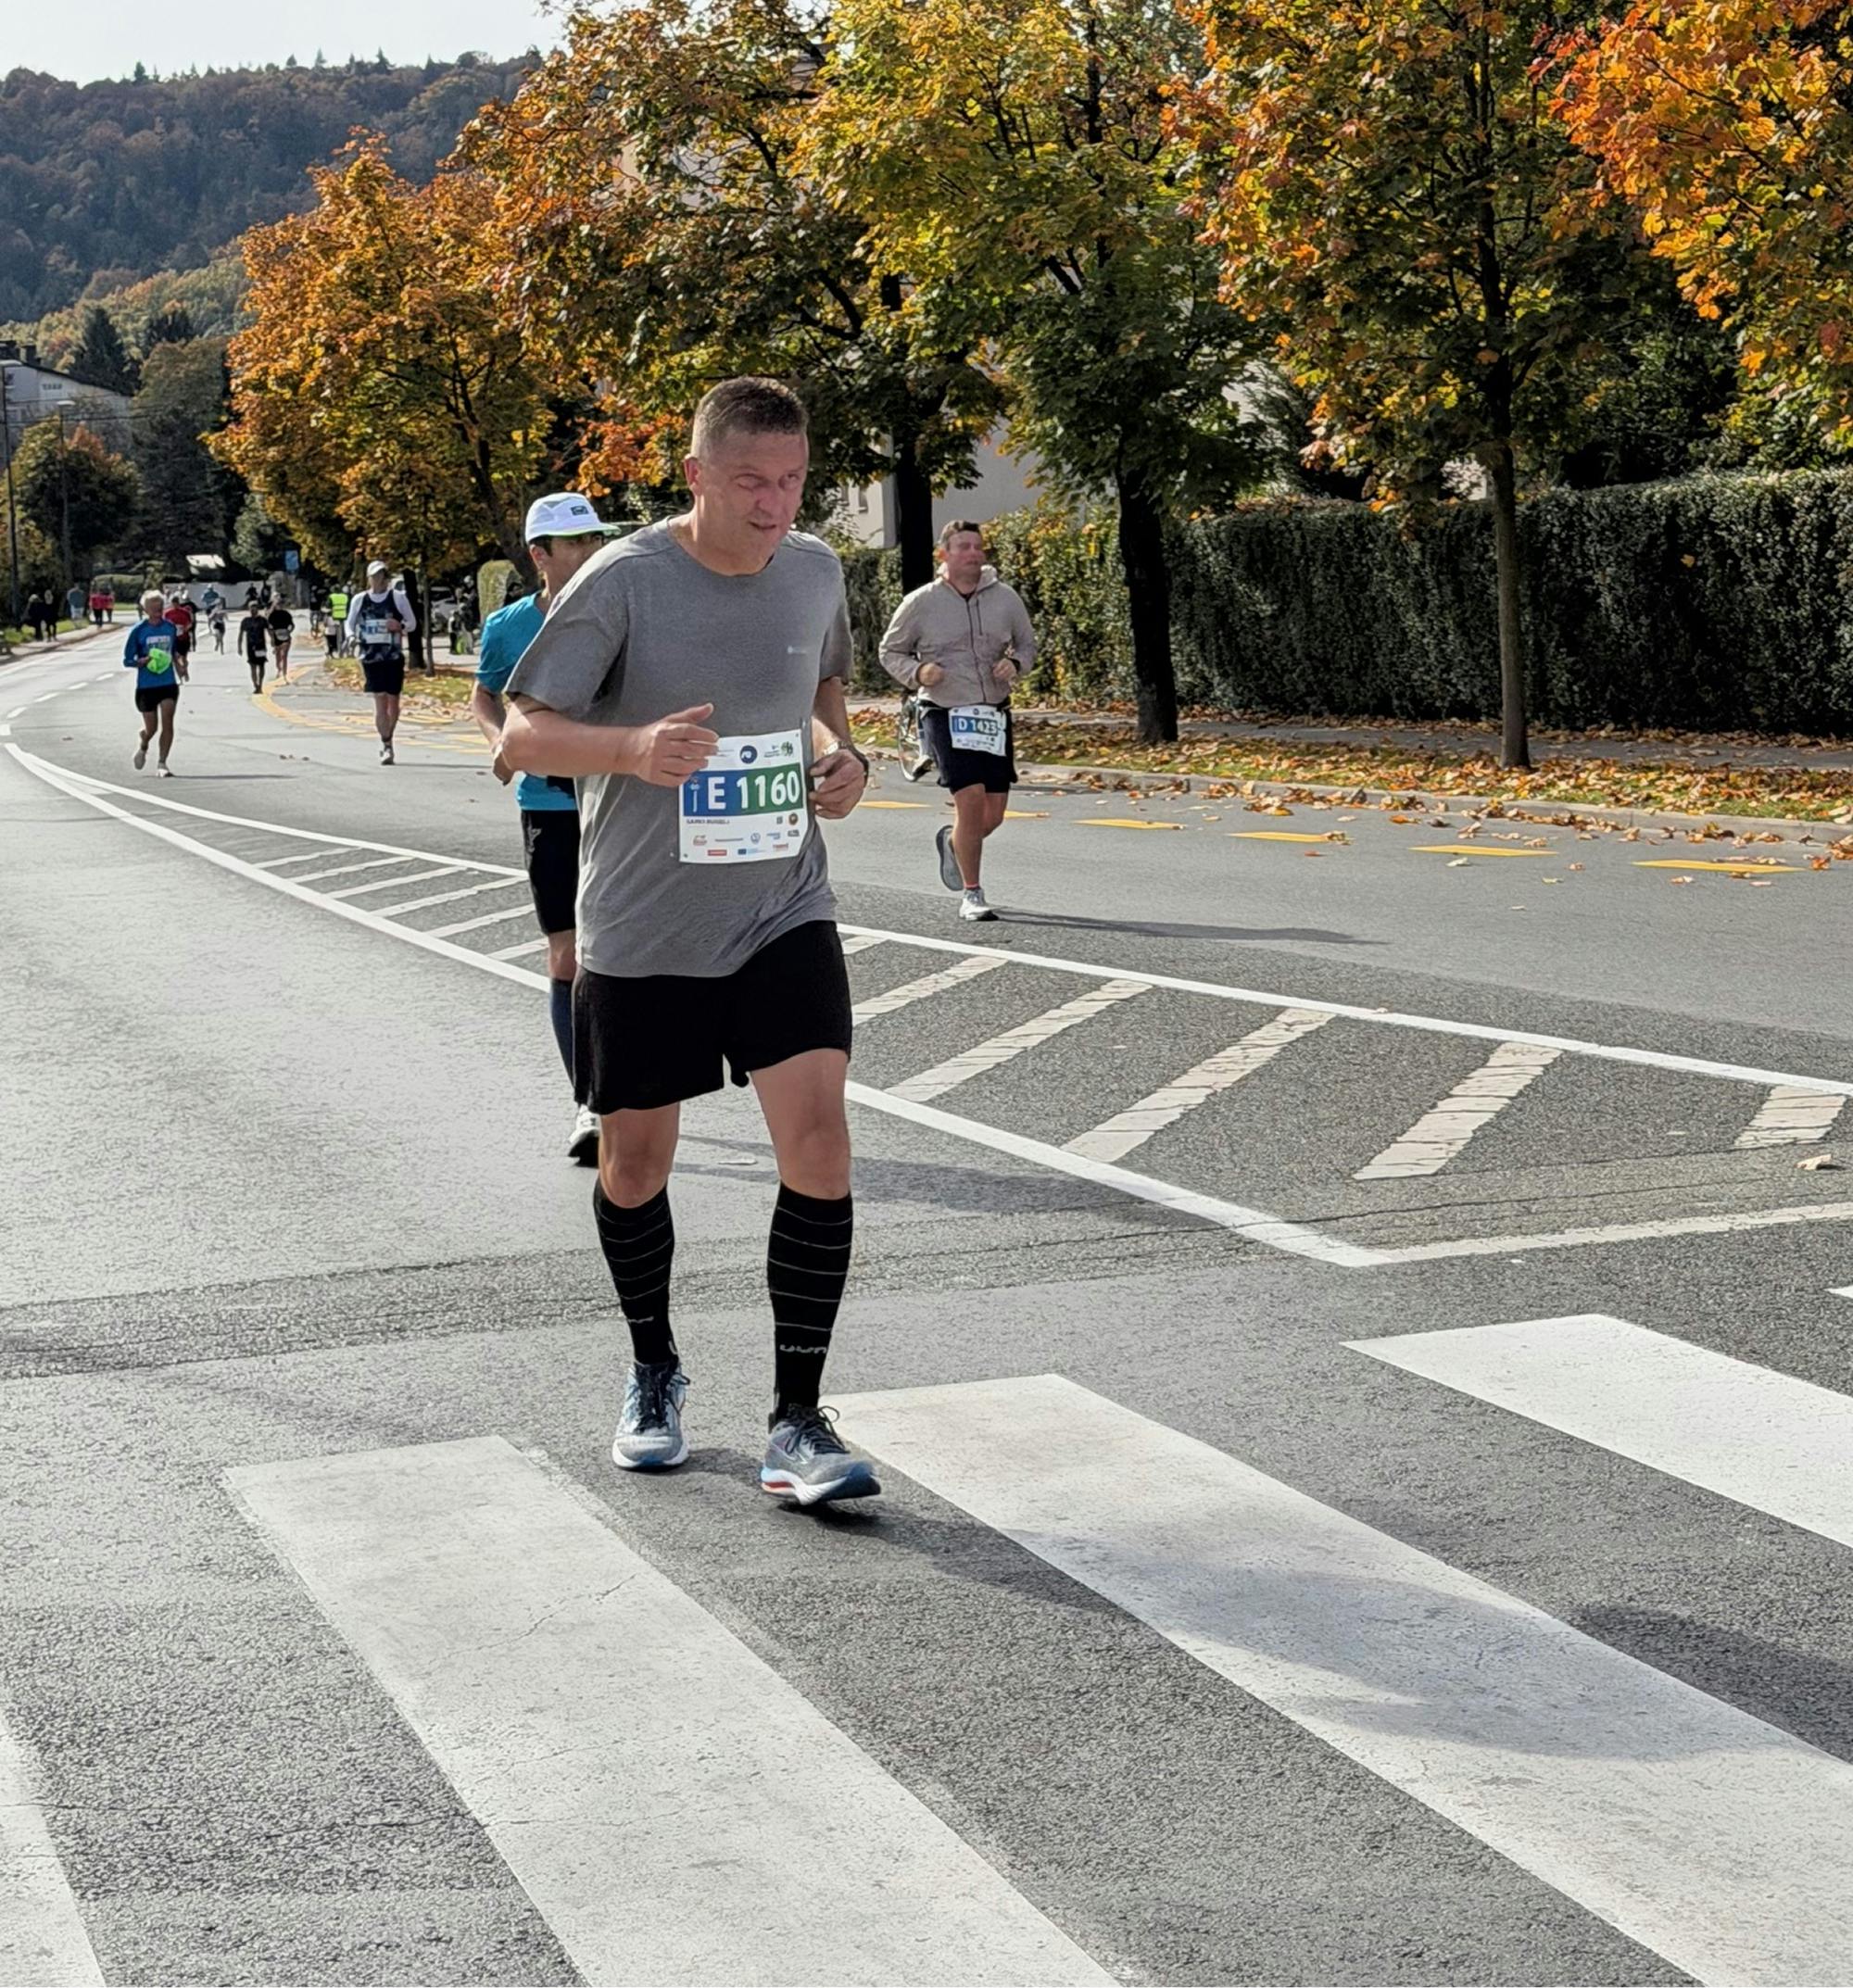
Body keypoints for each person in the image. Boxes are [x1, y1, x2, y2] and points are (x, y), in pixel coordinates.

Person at [499, 376, 878, 1507]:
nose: (775, 505)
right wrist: (629, 750)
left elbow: (820, 683)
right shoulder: (626, 580)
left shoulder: (814, 569)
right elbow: (520, 734)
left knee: (818, 1145)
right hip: (645, 920)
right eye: (752, 482)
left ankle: (796, 1419)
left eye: (794, 481)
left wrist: (840, 755)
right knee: (635, 1166)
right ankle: (653, 1367)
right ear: (699, 475)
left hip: (781, 906)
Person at [472, 495, 625, 1167]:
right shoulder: (508, 627)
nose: (592, 552)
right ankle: (589, 1100)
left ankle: (641, 1081)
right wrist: (501, 740)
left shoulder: (623, 611)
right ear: (540, 555)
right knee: (567, 954)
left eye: (596, 539)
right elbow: (487, 693)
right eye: (576, 544)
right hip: (550, 807)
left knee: (621, 951)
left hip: (621, 802)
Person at [878, 519, 1036, 922]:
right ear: (943, 554)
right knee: (969, 800)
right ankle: (973, 894)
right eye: (963, 547)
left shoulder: (1005, 598)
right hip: (945, 710)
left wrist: (1014, 664)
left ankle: (953, 844)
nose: (972, 554)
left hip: (992, 712)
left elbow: (1028, 645)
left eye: (978, 547)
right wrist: (918, 674)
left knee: (993, 814)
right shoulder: (921, 602)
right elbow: (889, 651)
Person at [345, 560, 415, 764]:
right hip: (370, 656)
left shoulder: (397, 598)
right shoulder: (360, 599)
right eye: (375, 576)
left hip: (392, 656)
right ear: (369, 578)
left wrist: (399, 625)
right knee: (380, 700)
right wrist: (351, 638)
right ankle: (386, 743)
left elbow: (412, 623)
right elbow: (349, 624)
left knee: (393, 700)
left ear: (386, 577)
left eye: (382, 575)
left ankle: (389, 736)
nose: (379, 580)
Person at [123, 588, 186, 774]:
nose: (157, 610)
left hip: (167, 682)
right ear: (146, 609)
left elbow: (174, 650)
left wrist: (180, 665)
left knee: (168, 719)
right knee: (152, 728)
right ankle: (144, 742)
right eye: (153, 607)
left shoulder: (169, 627)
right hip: (146, 685)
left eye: (159, 606)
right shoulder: (138, 631)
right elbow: (127, 659)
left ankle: (162, 763)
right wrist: (139, 662)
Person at [238, 600, 269, 693]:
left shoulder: (262, 620)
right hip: (250, 646)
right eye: (251, 607)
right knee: (253, 666)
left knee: (261, 665)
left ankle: (260, 684)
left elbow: (269, 631)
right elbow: (241, 634)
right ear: (249, 609)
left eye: (255, 607)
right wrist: (239, 646)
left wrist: (273, 641)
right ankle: (255, 684)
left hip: (261, 645)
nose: (253, 609)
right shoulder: (246, 621)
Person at [163, 594, 195, 680]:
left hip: (184, 637)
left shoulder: (185, 612)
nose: (175, 605)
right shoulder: (167, 613)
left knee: (184, 657)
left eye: (176, 603)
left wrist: (185, 628)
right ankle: (180, 674)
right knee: (175, 657)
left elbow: (190, 623)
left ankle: (185, 670)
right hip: (173, 638)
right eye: (173, 603)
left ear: (179, 603)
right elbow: (164, 625)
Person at [267, 597, 295, 683]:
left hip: (286, 636)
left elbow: (292, 625)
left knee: (284, 655)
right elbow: (269, 627)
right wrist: (271, 638)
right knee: (278, 656)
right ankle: (279, 669)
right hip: (276, 637)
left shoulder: (286, 614)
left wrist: (289, 632)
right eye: (277, 604)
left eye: (280, 604)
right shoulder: (272, 615)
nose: (279, 606)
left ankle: (285, 674)